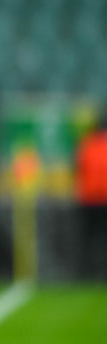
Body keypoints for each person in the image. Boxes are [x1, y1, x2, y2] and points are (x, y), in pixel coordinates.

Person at [74, 112, 107, 279]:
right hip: (102, 199)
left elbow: (78, 169)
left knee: (88, 238)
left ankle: (87, 272)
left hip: (89, 199)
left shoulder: (86, 144)